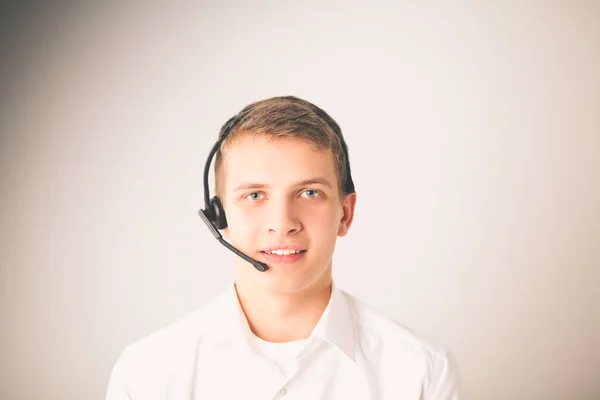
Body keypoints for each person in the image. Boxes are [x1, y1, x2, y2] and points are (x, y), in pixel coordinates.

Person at [106, 96, 464, 399]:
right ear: (218, 216)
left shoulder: (422, 371)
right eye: (255, 195)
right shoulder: (146, 375)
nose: (283, 222)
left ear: (345, 214)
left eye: (310, 193)